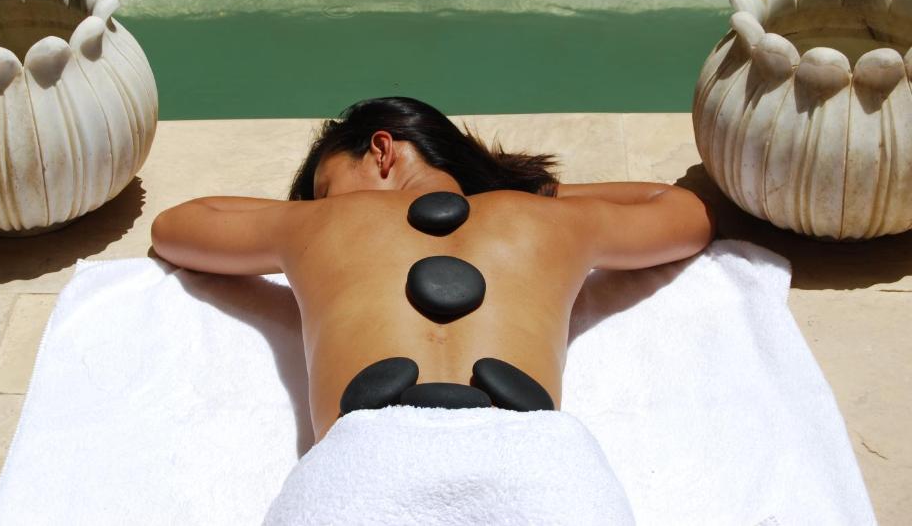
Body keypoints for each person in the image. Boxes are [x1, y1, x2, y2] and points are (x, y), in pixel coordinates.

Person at [151, 96, 715, 522]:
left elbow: (178, 225)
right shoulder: (553, 221)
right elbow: (681, 211)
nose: (320, 205)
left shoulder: (312, 224)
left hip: (363, 467)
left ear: (381, 149)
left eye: (325, 187)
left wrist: (309, 217)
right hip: (542, 466)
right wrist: (521, 193)